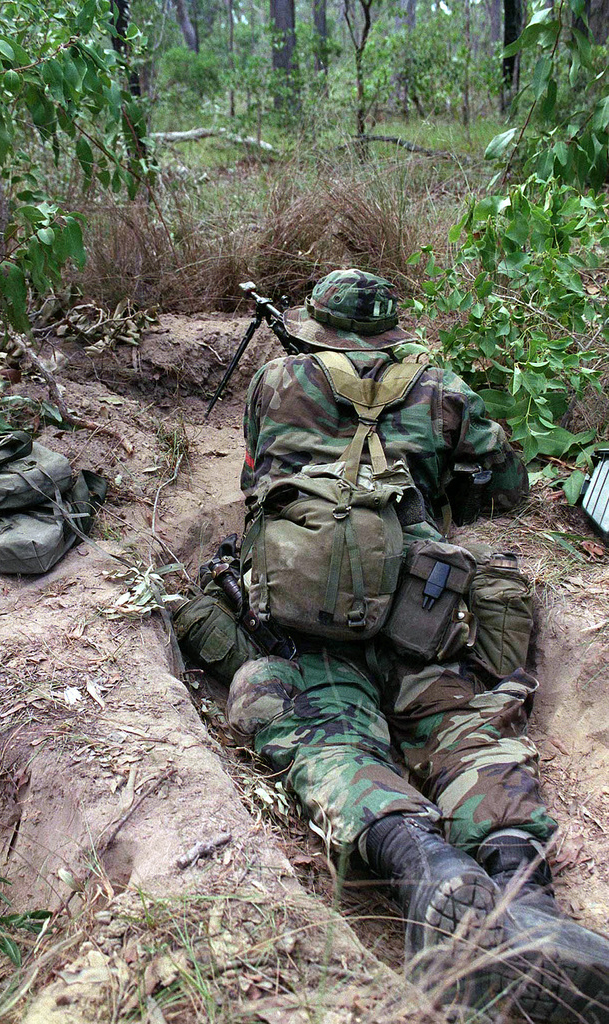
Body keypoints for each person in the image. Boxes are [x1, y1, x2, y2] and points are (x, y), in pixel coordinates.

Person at [222, 269, 609, 1021]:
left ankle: (423, 869)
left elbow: (256, 473)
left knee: (326, 736)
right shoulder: (444, 386)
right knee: (465, 727)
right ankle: (527, 905)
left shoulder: (274, 378)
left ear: (318, 325)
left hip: (307, 628)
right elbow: (502, 489)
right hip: (423, 614)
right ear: (392, 326)